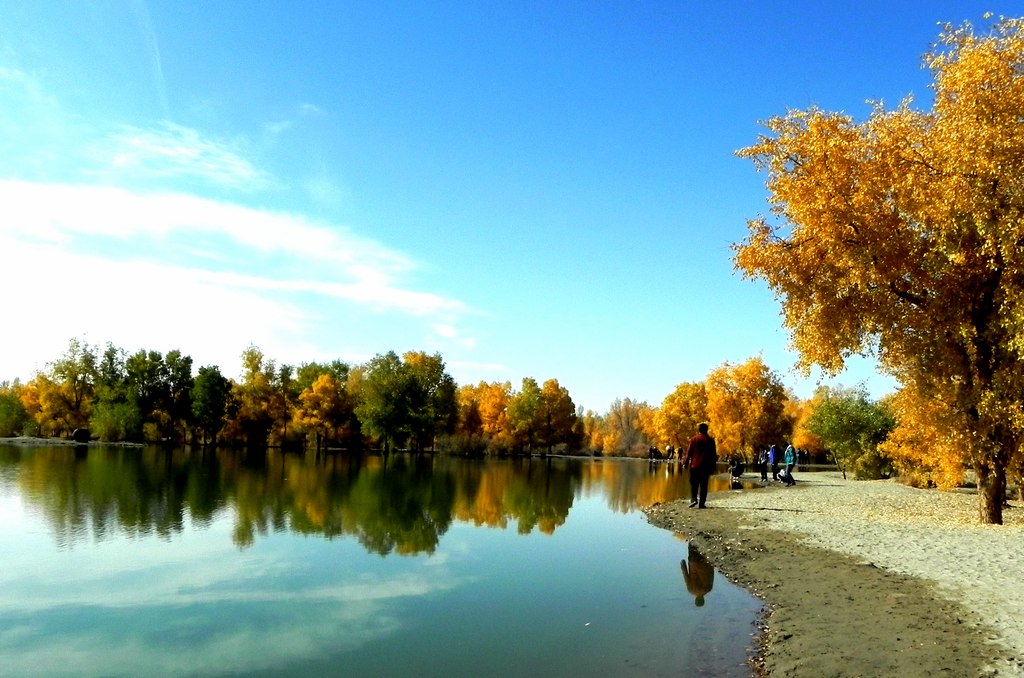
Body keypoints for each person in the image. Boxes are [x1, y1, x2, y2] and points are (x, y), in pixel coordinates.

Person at [683, 423, 717, 508]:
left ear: (699, 430)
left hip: (695, 465)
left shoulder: (694, 439)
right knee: (704, 485)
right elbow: (713, 455)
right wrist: (713, 467)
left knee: (694, 483)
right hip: (705, 466)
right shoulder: (710, 441)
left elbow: (689, 452)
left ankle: (694, 499)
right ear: (707, 430)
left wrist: (685, 463)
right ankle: (702, 503)